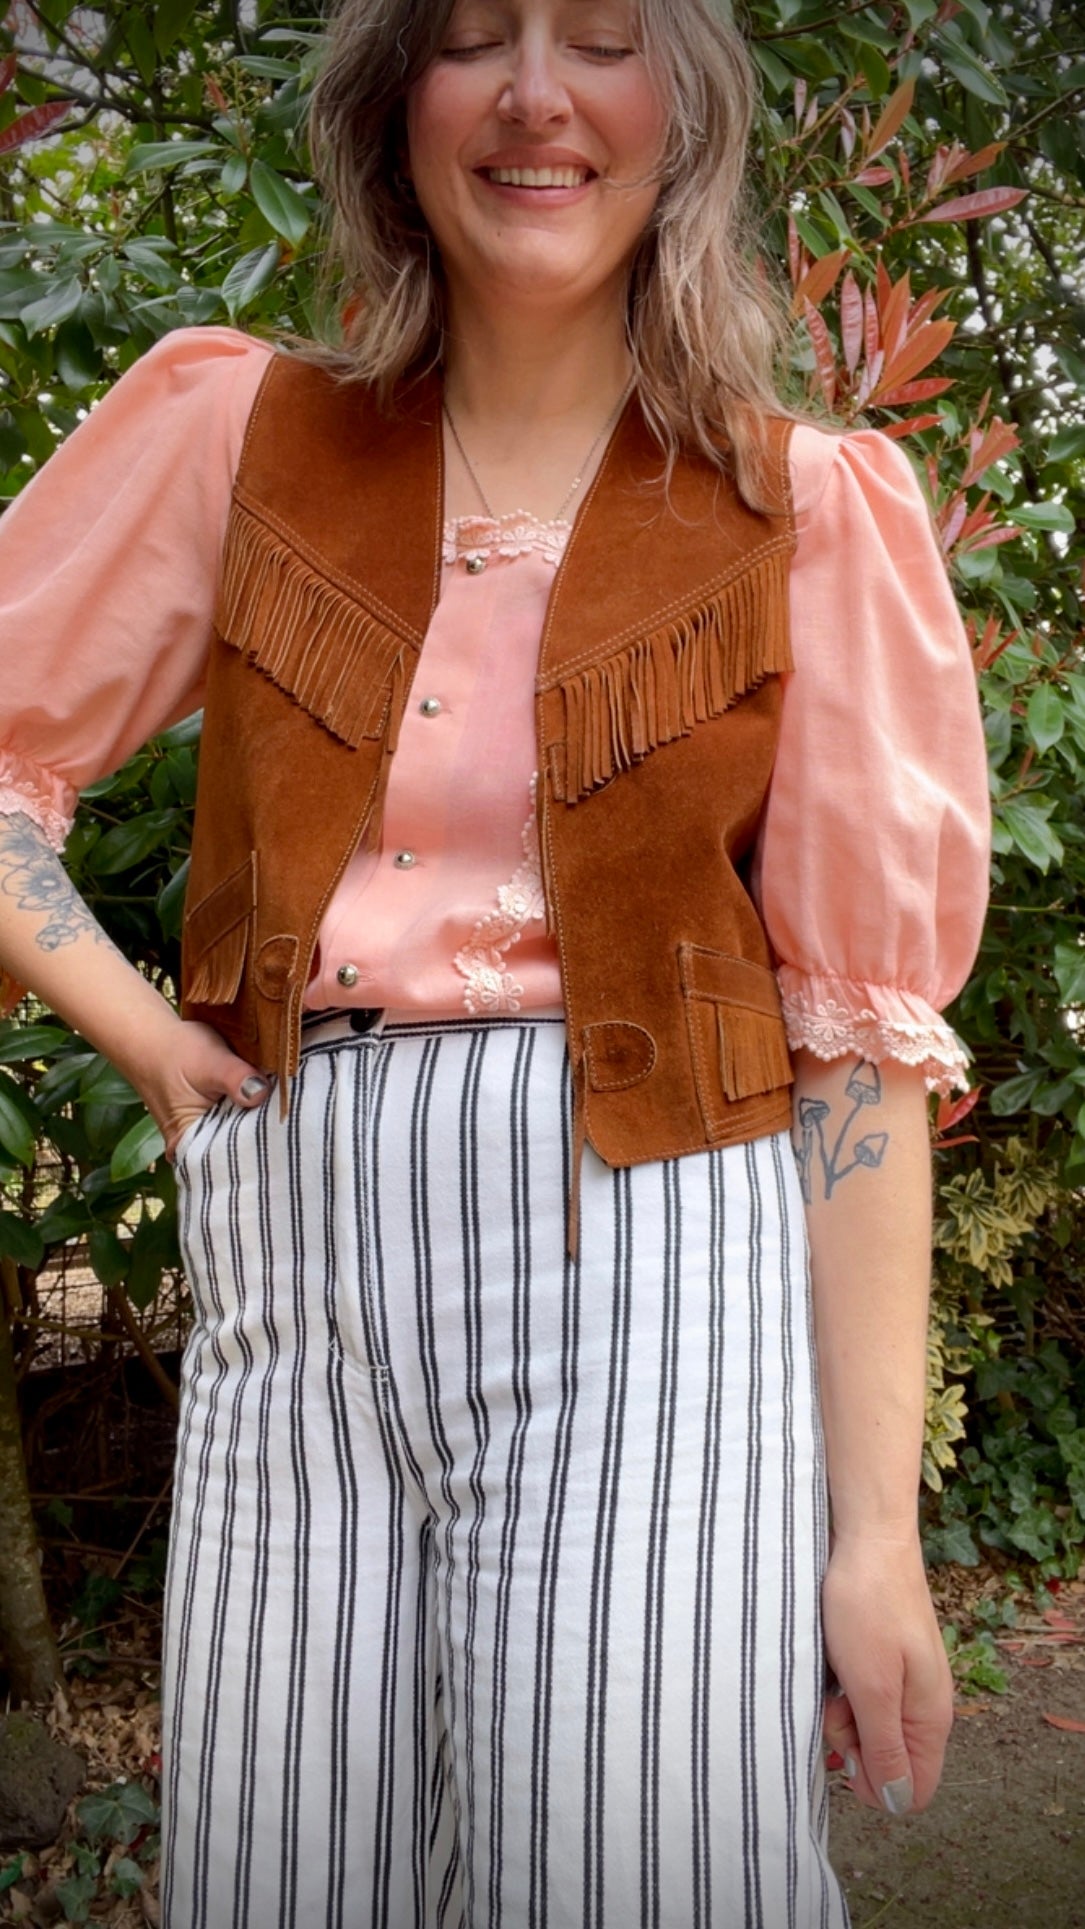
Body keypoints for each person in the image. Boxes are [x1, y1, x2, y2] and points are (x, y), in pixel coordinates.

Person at [0, 0, 991, 1923]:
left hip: (653, 1256)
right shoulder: (235, 432)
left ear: (680, 111)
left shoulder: (800, 506)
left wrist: (874, 1538)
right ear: (399, 104)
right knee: (277, 1868)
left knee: (625, 1866)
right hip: (290, 1258)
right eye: (474, 38)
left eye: (602, 38)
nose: (537, 94)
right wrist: (139, 1032)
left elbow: (859, 1043)